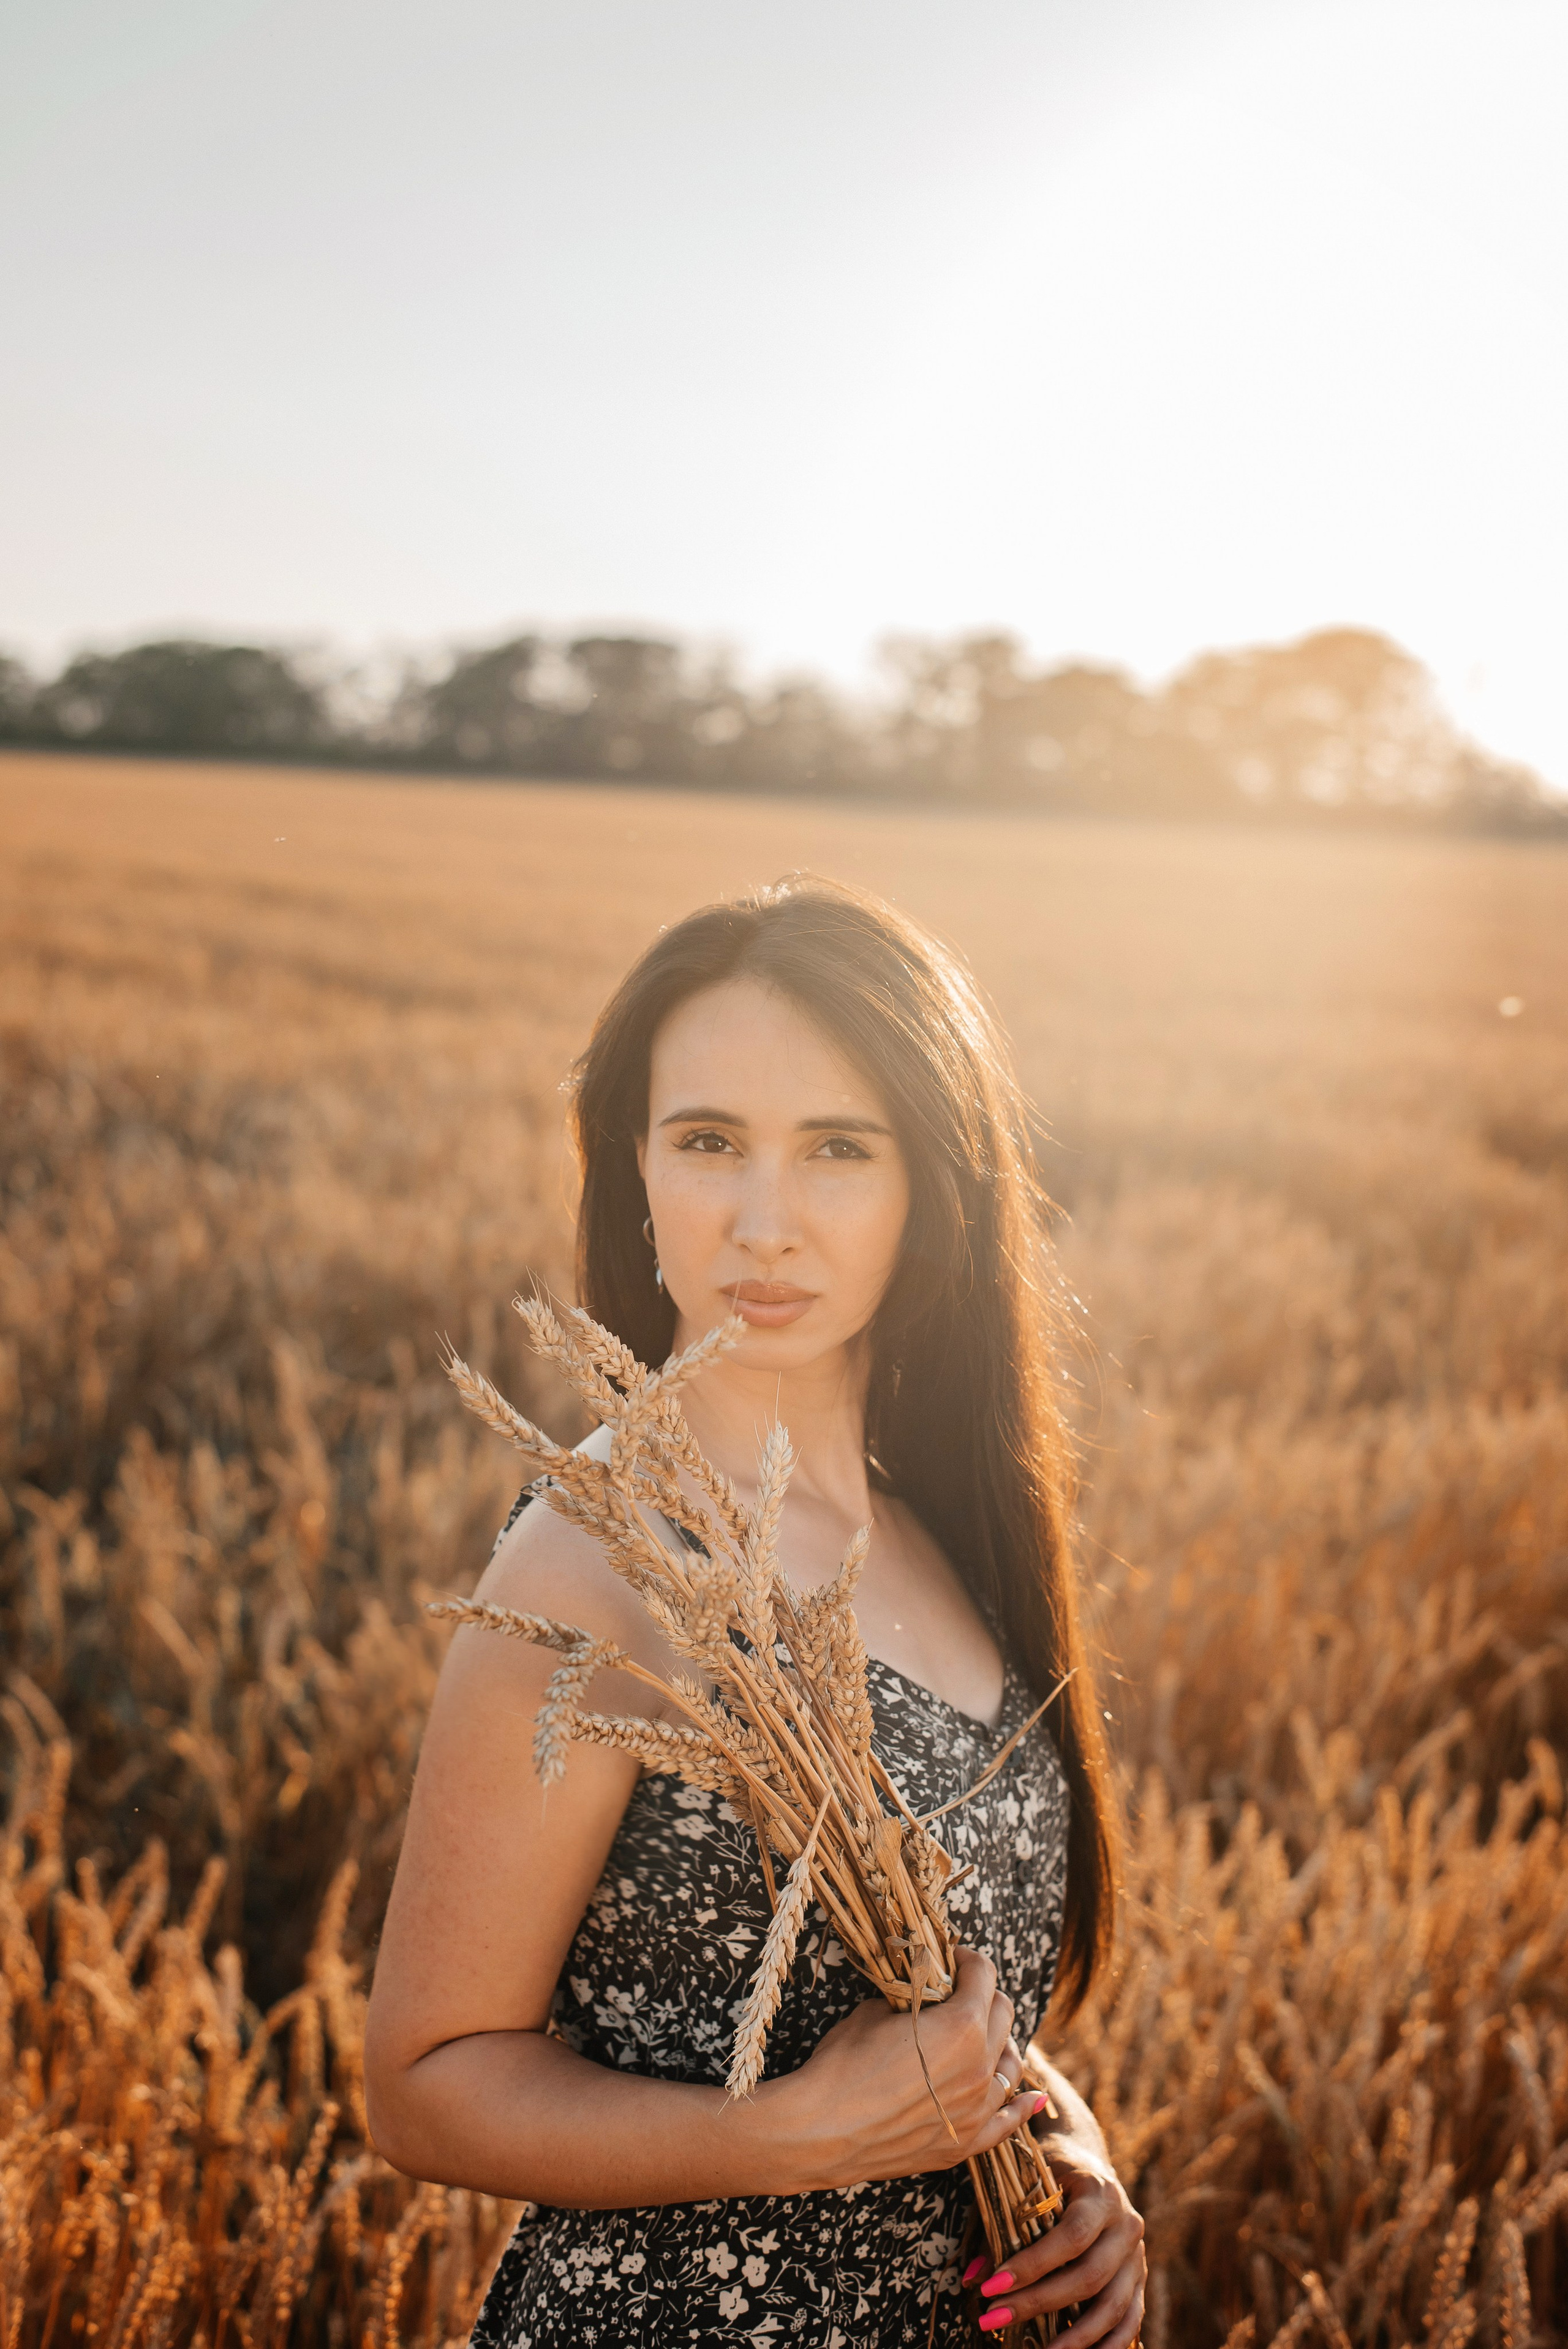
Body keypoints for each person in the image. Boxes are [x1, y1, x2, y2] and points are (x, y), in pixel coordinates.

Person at [364, 878, 1146, 2347]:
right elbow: (423, 2080)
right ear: (635, 1168)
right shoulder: (592, 1560)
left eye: (838, 1150)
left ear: (932, 1186)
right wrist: (794, 2138)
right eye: (708, 1141)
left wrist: (1064, 2155)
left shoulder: (946, 1531)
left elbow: (954, 1974)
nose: (764, 1221)